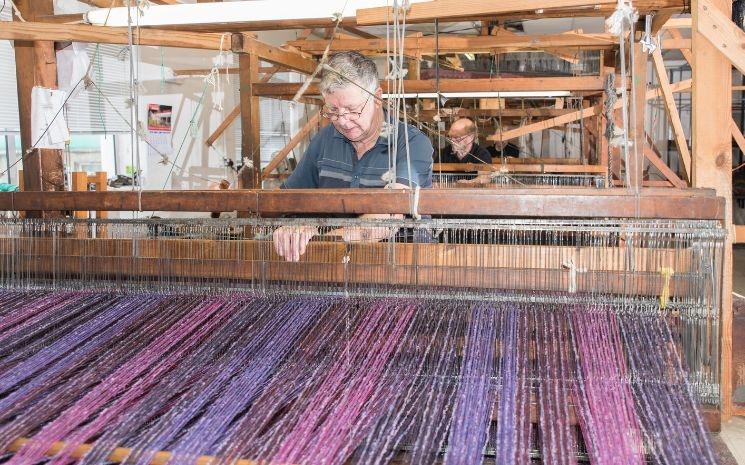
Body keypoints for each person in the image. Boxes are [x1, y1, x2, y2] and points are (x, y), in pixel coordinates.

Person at [273, 51, 434, 261]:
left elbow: (389, 218)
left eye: (352, 109)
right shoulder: (325, 140)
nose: (343, 121)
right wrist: (296, 226)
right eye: (332, 110)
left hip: (402, 266)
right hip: (335, 264)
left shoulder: (411, 143)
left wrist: (323, 243)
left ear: (377, 98)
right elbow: (287, 202)